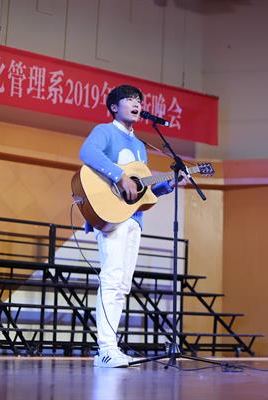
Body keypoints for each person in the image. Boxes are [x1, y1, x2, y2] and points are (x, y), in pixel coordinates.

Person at [80, 84, 178, 368]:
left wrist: (169, 185)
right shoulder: (105, 131)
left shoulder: (140, 145)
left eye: (139, 100)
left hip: (134, 218)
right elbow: (87, 152)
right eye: (130, 100)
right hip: (111, 216)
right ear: (114, 107)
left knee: (122, 285)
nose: (137, 104)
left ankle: (112, 347)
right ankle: (105, 350)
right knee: (112, 280)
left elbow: (140, 191)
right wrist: (120, 176)